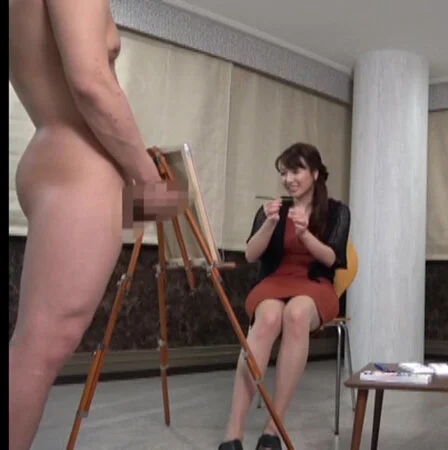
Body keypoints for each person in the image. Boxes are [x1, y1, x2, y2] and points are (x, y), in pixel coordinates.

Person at [8, 1, 187, 448]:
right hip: (81, 168)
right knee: (37, 354)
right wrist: (151, 182)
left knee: (30, 348)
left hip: (49, 152)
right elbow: (91, 84)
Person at [219, 143, 350, 450]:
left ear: (314, 174)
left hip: (316, 284)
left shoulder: (336, 212)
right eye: (284, 173)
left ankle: (273, 428)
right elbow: (251, 255)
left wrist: (305, 234)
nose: (289, 179)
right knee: (267, 318)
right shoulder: (272, 210)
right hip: (275, 281)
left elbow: (333, 258)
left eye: (296, 171)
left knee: (297, 314)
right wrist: (269, 223)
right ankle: (233, 432)